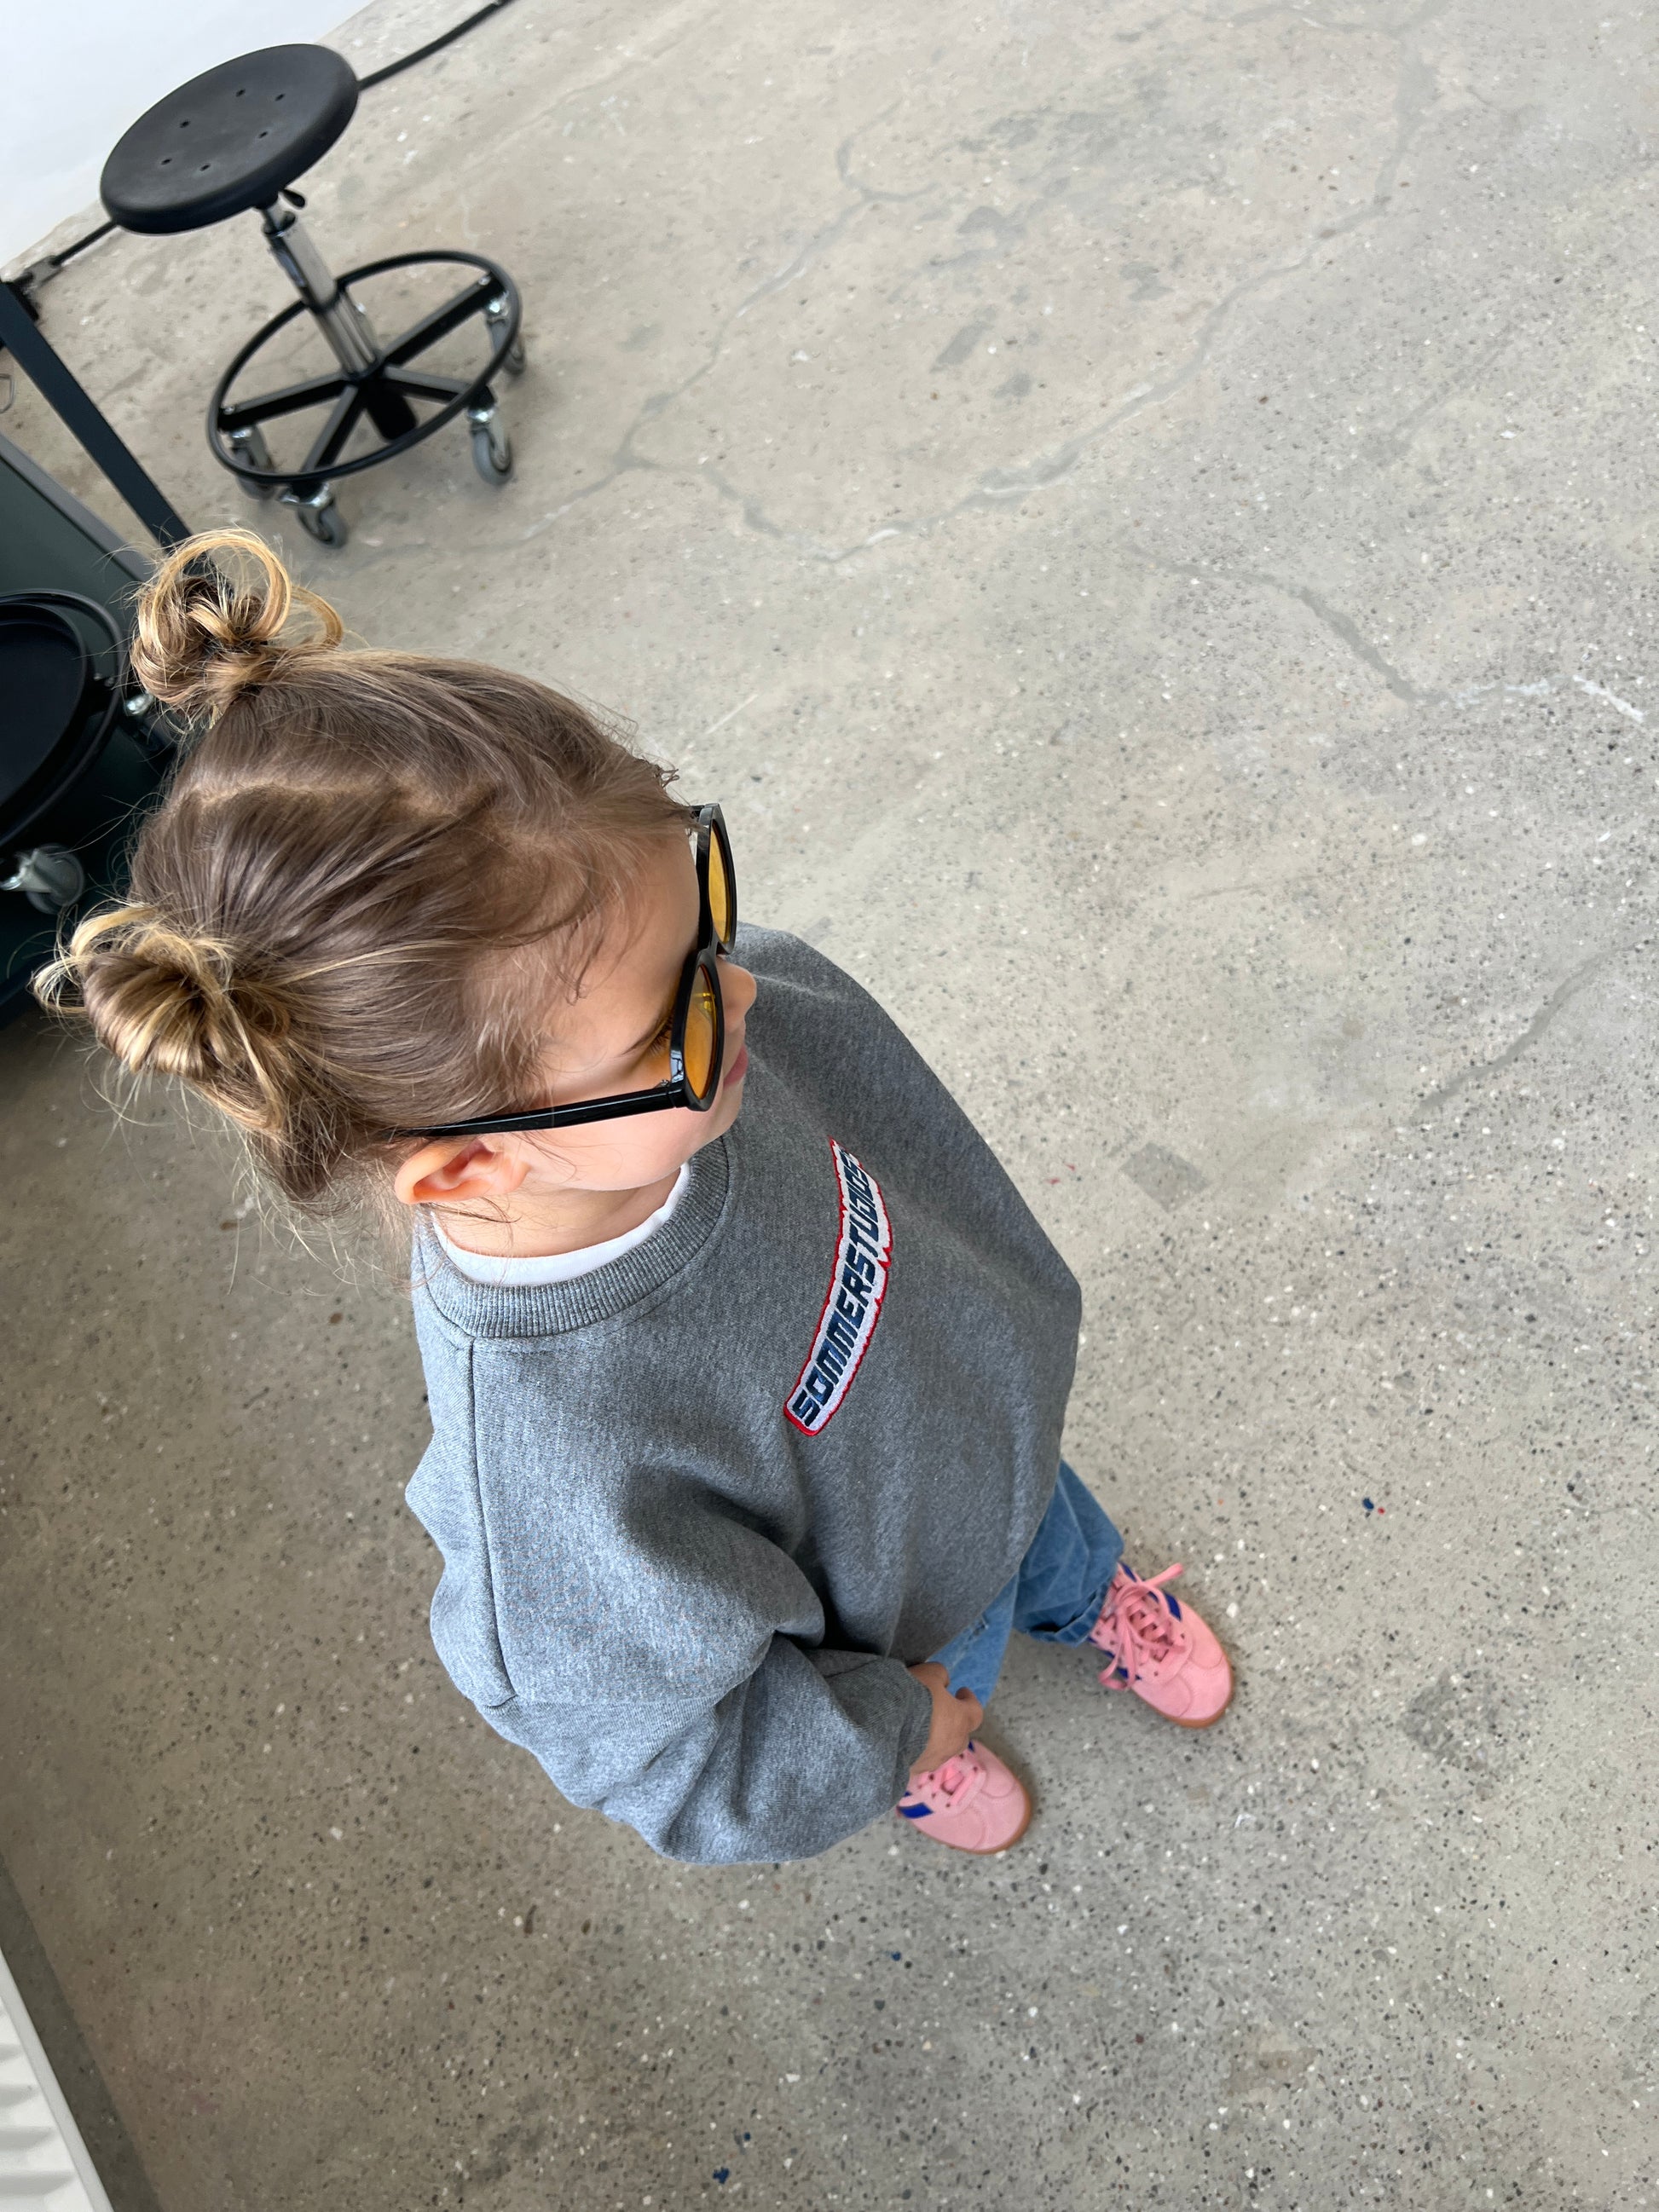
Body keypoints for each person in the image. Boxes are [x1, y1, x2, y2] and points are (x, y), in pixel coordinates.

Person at [38, 528, 1233, 1865]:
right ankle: (932, 1750)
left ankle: (1085, 1593)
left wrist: (1009, 1355)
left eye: (703, 906)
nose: (748, 988)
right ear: (471, 1166)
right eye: (678, 1014)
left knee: (1045, 1530)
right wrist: (886, 1732)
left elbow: (911, 1164)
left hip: (987, 1435)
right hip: (894, 1628)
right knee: (941, 1673)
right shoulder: (549, 1484)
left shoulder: (693, 1042)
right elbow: (680, 1765)